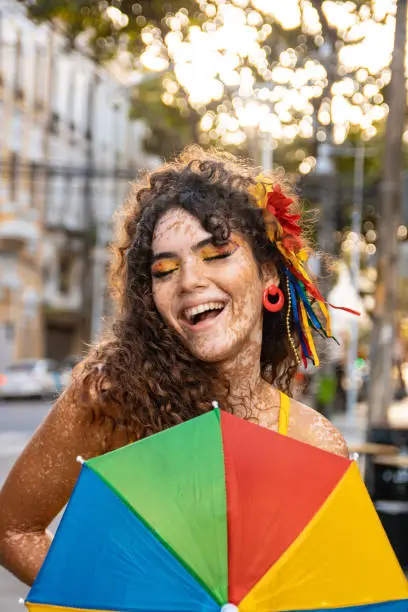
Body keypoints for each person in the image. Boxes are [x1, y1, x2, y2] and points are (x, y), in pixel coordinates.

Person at [0, 146, 349, 587]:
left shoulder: (316, 446)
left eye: (217, 253)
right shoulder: (111, 401)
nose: (189, 281)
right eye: (164, 270)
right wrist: (116, 599)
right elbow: (13, 529)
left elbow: (322, 589)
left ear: (268, 274)